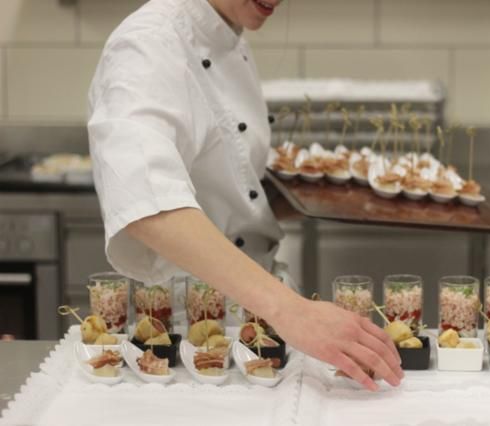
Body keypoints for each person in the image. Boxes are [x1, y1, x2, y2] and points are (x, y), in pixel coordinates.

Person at [87, 0, 402, 391]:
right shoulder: (148, 43)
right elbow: (145, 203)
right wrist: (291, 310)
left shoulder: (227, 32)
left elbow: (227, 179)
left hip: (251, 316)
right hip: (191, 332)